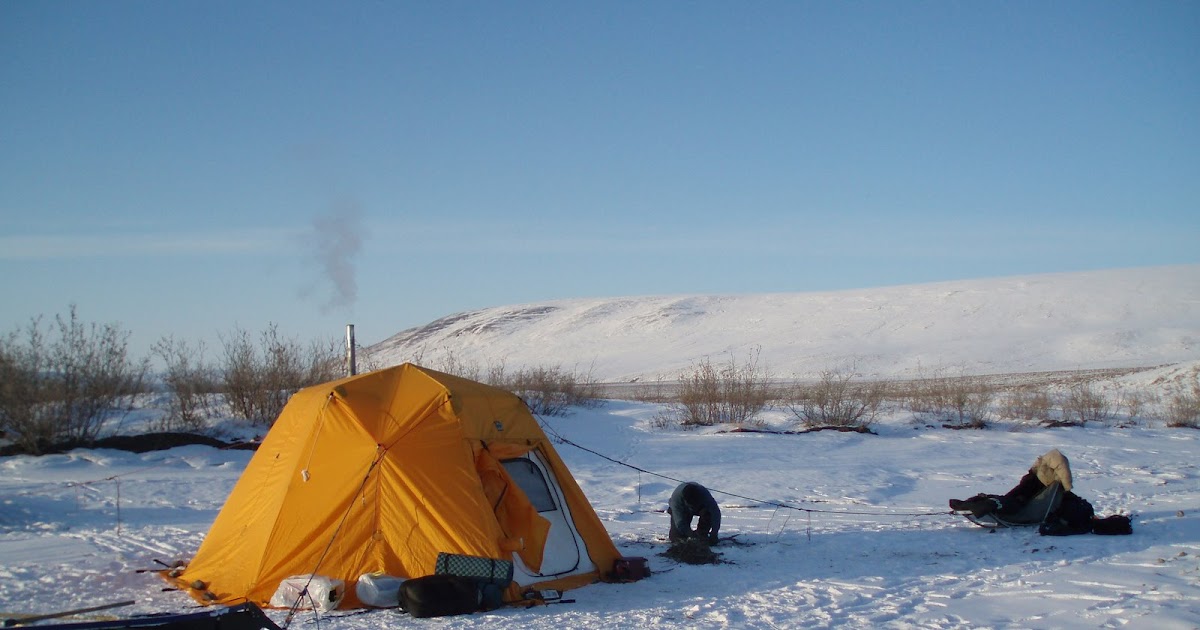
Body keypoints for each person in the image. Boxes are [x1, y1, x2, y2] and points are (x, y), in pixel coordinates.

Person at [949, 448, 1093, 532]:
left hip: (1031, 481)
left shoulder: (1042, 465)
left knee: (1012, 498)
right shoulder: (1054, 458)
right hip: (1035, 484)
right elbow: (1061, 466)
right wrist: (1067, 488)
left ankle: (980, 503)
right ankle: (984, 504)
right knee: (1014, 501)